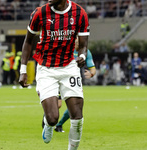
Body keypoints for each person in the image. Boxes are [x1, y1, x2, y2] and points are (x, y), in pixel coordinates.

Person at [19, 0, 90, 149]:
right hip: (46, 68)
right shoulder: (40, 13)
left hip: (69, 66)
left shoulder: (79, 13)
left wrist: (82, 57)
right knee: (53, 118)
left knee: (77, 116)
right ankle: (48, 124)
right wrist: (23, 70)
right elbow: (28, 41)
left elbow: (83, 45)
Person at [54, 38, 96, 132]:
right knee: (58, 105)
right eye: (76, 41)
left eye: (79, 42)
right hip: (60, 78)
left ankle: (59, 125)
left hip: (74, 82)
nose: (77, 43)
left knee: (74, 106)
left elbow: (93, 68)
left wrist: (91, 73)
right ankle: (48, 120)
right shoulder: (67, 49)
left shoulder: (86, 52)